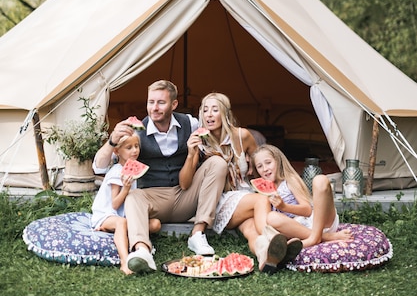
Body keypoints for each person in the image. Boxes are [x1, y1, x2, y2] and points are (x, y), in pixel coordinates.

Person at [93, 80, 229, 274]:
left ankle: (197, 233)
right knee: (133, 196)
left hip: (186, 194)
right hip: (153, 200)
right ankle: (142, 250)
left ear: (173, 105)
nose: (154, 108)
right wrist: (112, 140)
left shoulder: (190, 123)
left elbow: (219, 138)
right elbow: (99, 166)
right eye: (151, 102)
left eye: (160, 103)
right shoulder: (137, 132)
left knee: (218, 163)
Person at [184, 92, 302, 273]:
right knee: (260, 201)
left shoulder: (243, 136)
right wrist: (191, 153)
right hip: (219, 201)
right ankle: (276, 239)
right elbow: (185, 182)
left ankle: (266, 258)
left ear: (225, 113)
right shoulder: (199, 141)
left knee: (250, 230)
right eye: (205, 110)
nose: (208, 114)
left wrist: (273, 182)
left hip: (245, 197)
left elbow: (260, 162)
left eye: (215, 109)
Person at [251, 144, 353, 247]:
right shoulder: (262, 193)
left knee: (320, 180)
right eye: (259, 166)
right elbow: (266, 225)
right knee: (271, 218)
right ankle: (323, 237)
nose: (265, 169)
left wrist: (284, 207)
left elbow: (307, 210)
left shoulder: (290, 181)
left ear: (278, 161)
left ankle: (317, 238)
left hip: (319, 222)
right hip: (295, 231)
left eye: (268, 163)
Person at [91, 133, 161, 275]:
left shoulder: (131, 168)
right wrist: (127, 188)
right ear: (117, 152)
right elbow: (115, 204)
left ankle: (117, 234)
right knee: (121, 223)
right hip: (107, 214)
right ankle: (124, 261)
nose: (134, 150)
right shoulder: (117, 172)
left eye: (136, 146)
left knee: (156, 224)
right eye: (129, 148)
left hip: (121, 216)